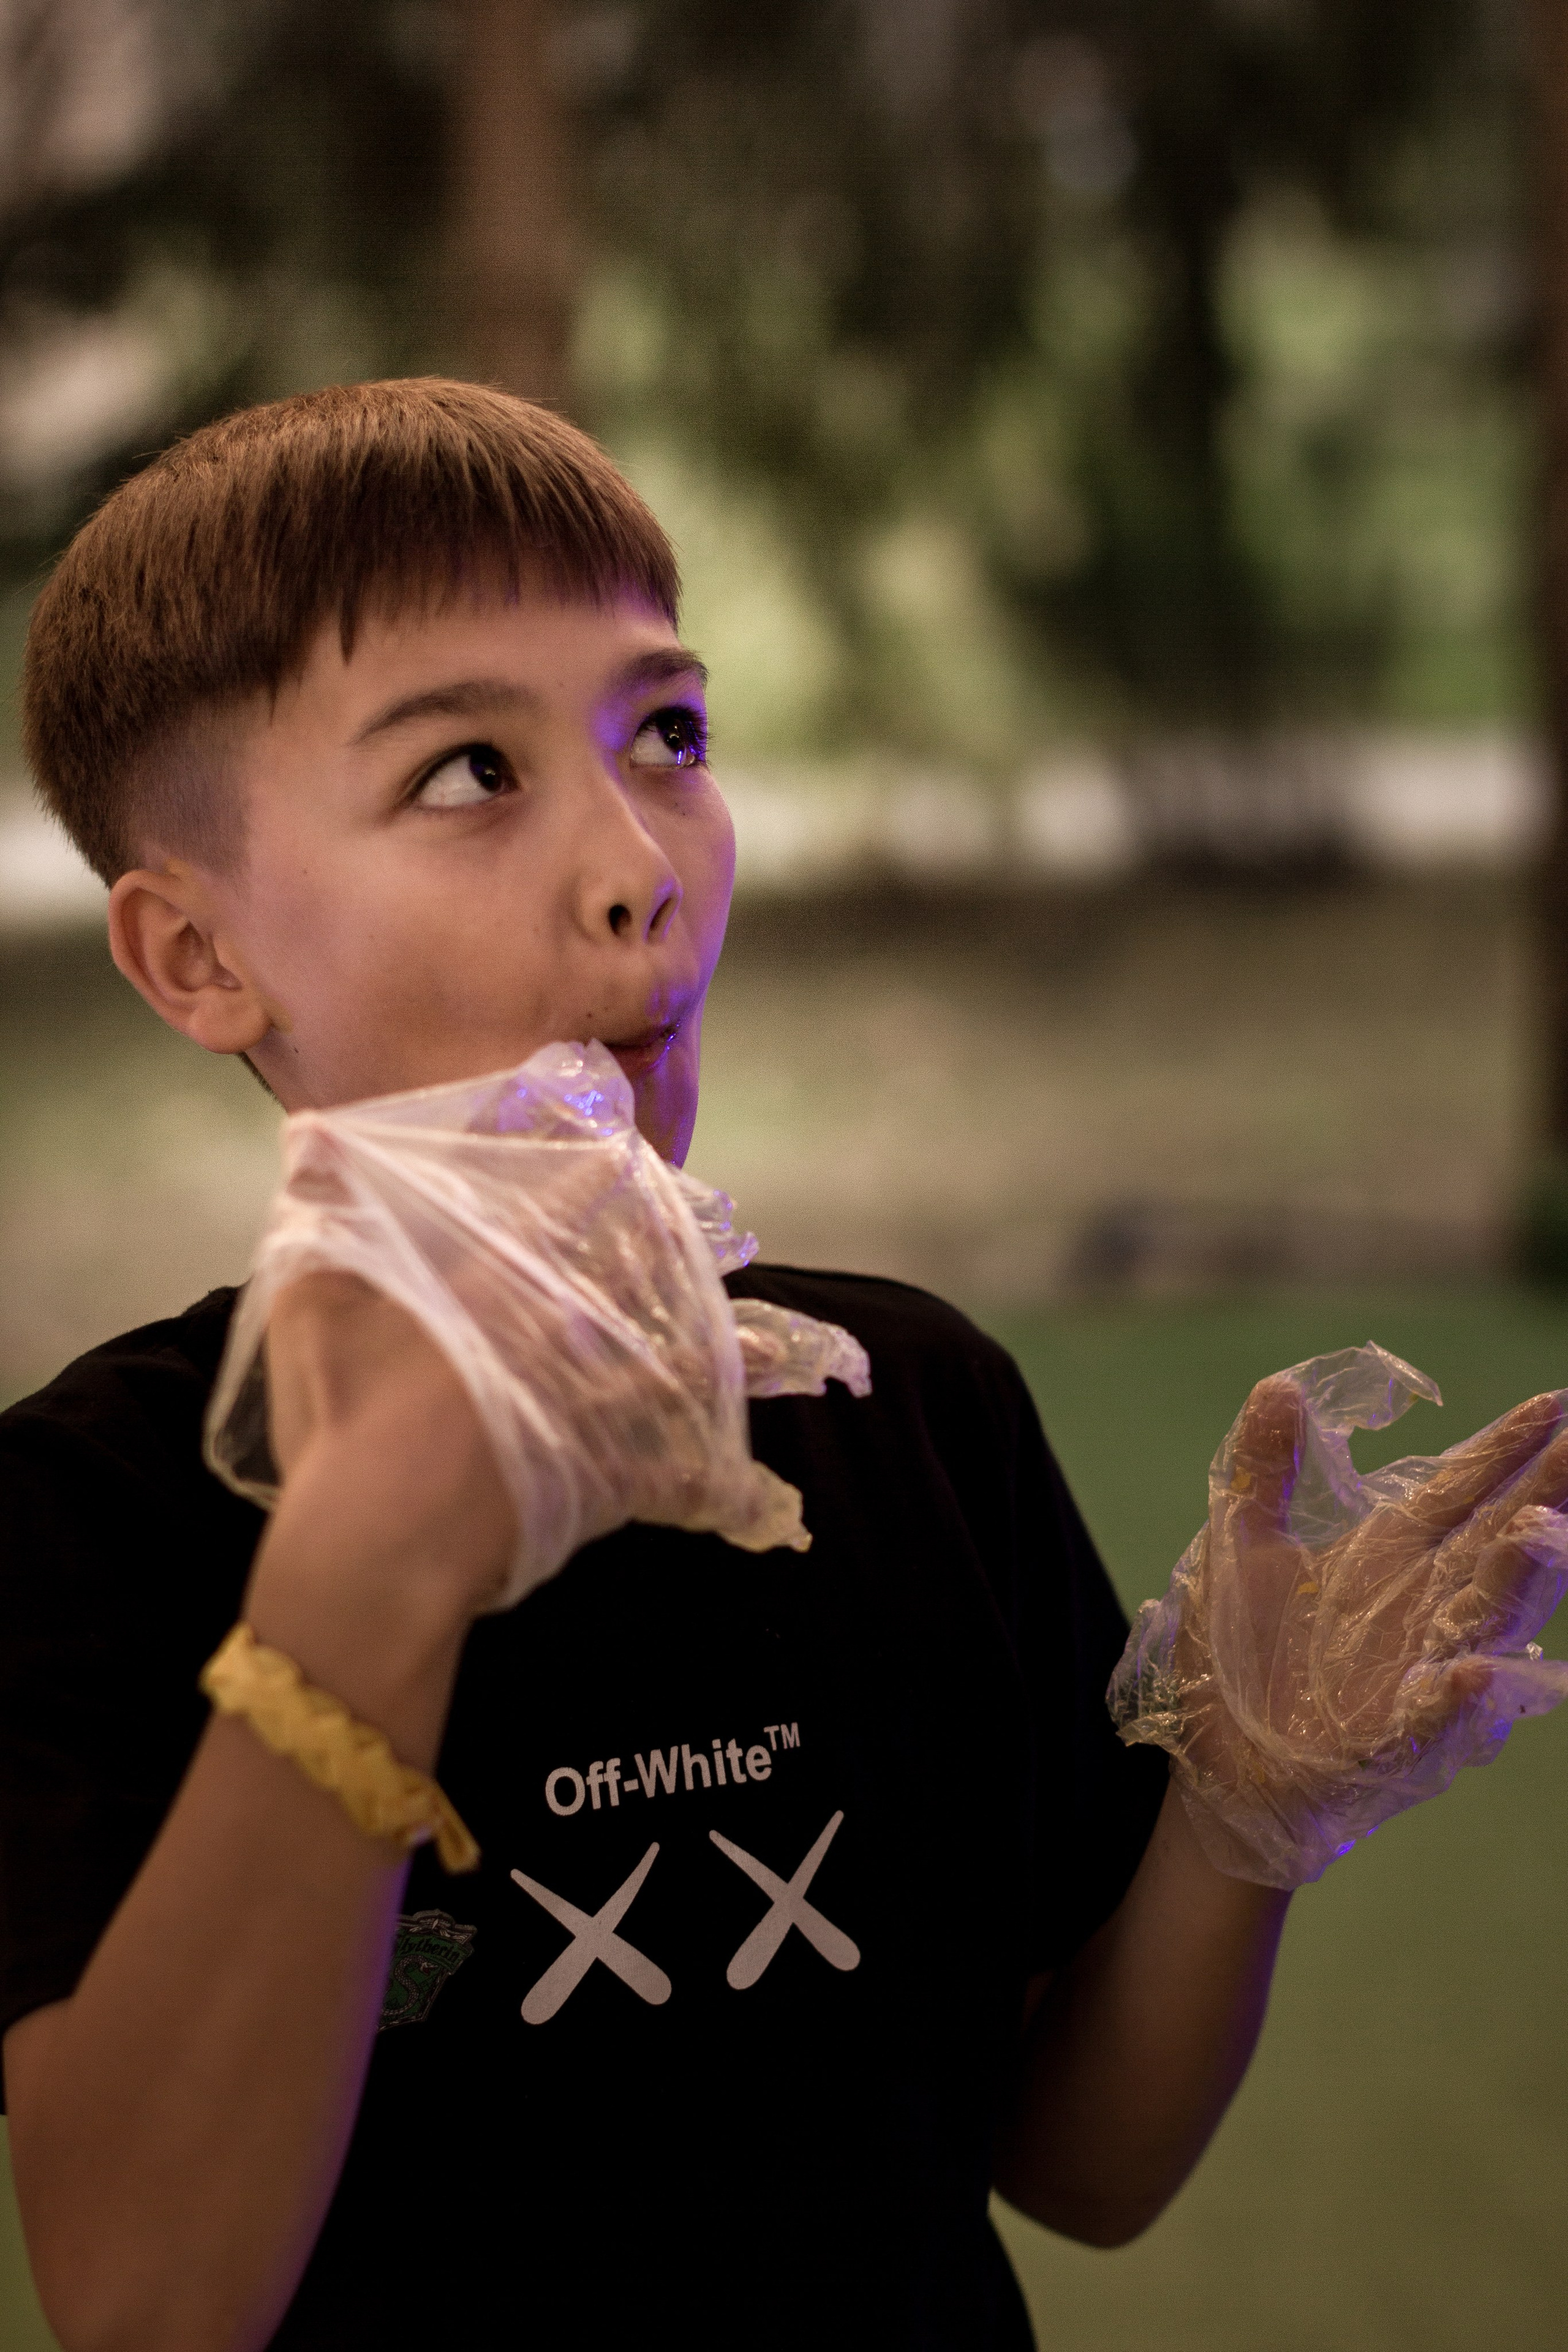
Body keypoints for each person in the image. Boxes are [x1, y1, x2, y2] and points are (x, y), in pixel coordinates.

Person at [0, 379, 1561, 2352]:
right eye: (468, 773)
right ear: (197, 959)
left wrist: (1241, 1817)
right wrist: (379, 1551)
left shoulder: (906, 1408)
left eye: (668, 736)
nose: (641, 866)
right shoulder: (91, 1515)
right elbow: (146, 2301)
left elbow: (1079, 2163)